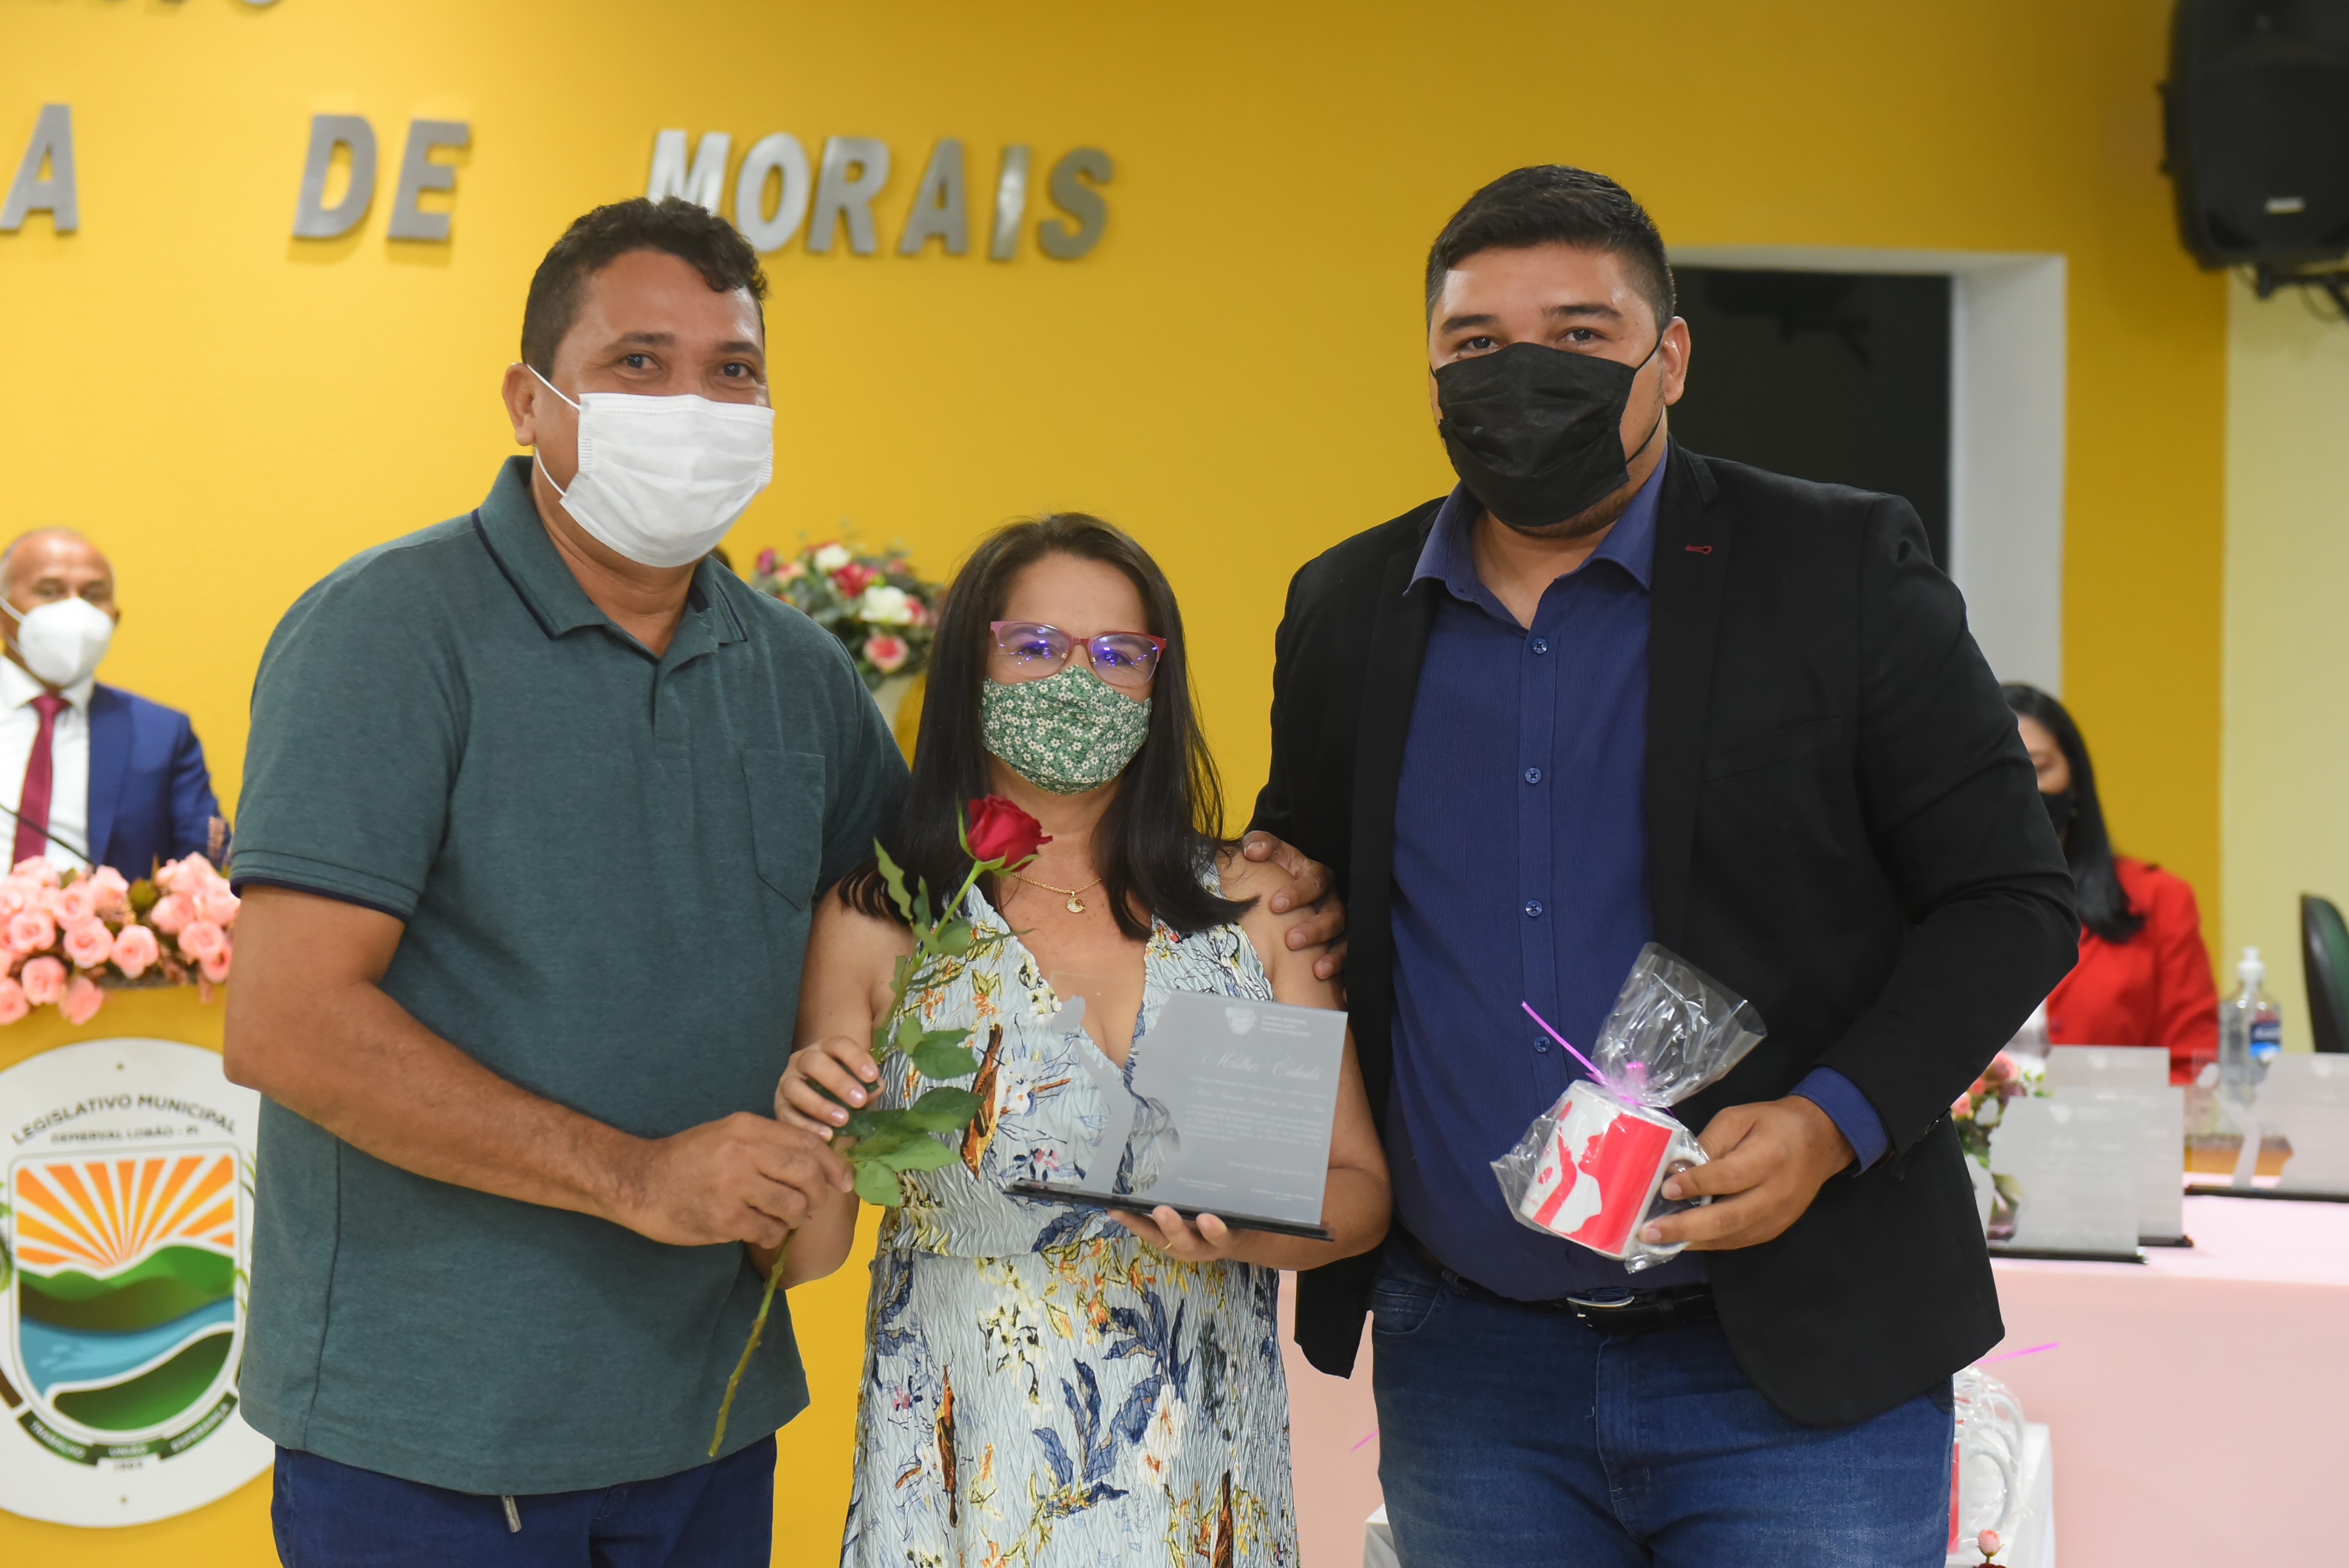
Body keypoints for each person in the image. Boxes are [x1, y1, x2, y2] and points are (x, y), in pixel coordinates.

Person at [1249, 166, 2078, 1564]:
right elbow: (1303, 908)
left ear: (1670, 356)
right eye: (1476, 343)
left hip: (1793, 1364)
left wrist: (1830, 1121)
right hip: (1472, 1368)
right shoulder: (1346, 608)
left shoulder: (1838, 565)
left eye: (1579, 335)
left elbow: (2010, 898)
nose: (1524, 374)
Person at [222, 198, 901, 1565]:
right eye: (639, 362)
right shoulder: (388, 632)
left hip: (708, 1420)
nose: (692, 405)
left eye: (732, 370)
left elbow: (907, 908)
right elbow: (287, 1020)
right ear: (530, 400)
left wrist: (1224, 888)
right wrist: (637, 1176)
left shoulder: (803, 676)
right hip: (429, 1437)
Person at [776, 513, 1389, 1566]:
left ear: (1159, 680)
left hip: (1201, 1468)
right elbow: (809, 1253)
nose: (1078, 680)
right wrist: (804, 1123)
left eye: (1118, 653)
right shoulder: (883, 922)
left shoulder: (1254, 906)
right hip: (966, 1472)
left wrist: (1239, 1236)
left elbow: (1360, 1191)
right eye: (1035, 646)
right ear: (971, 667)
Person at [2006, 683, 2217, 1083]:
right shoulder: (1916, 907)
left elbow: (2193, 1068)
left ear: (2075, 782)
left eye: (2038, 768)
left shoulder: (2159, 900)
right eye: (1998, 773)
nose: (2022, 790)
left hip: (2116, 1121)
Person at [0, 527, 221, 875]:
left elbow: (207, 870)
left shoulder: (162, 735)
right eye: (49, 591)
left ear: (113, 619)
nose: (74, 610)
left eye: (93, 595)